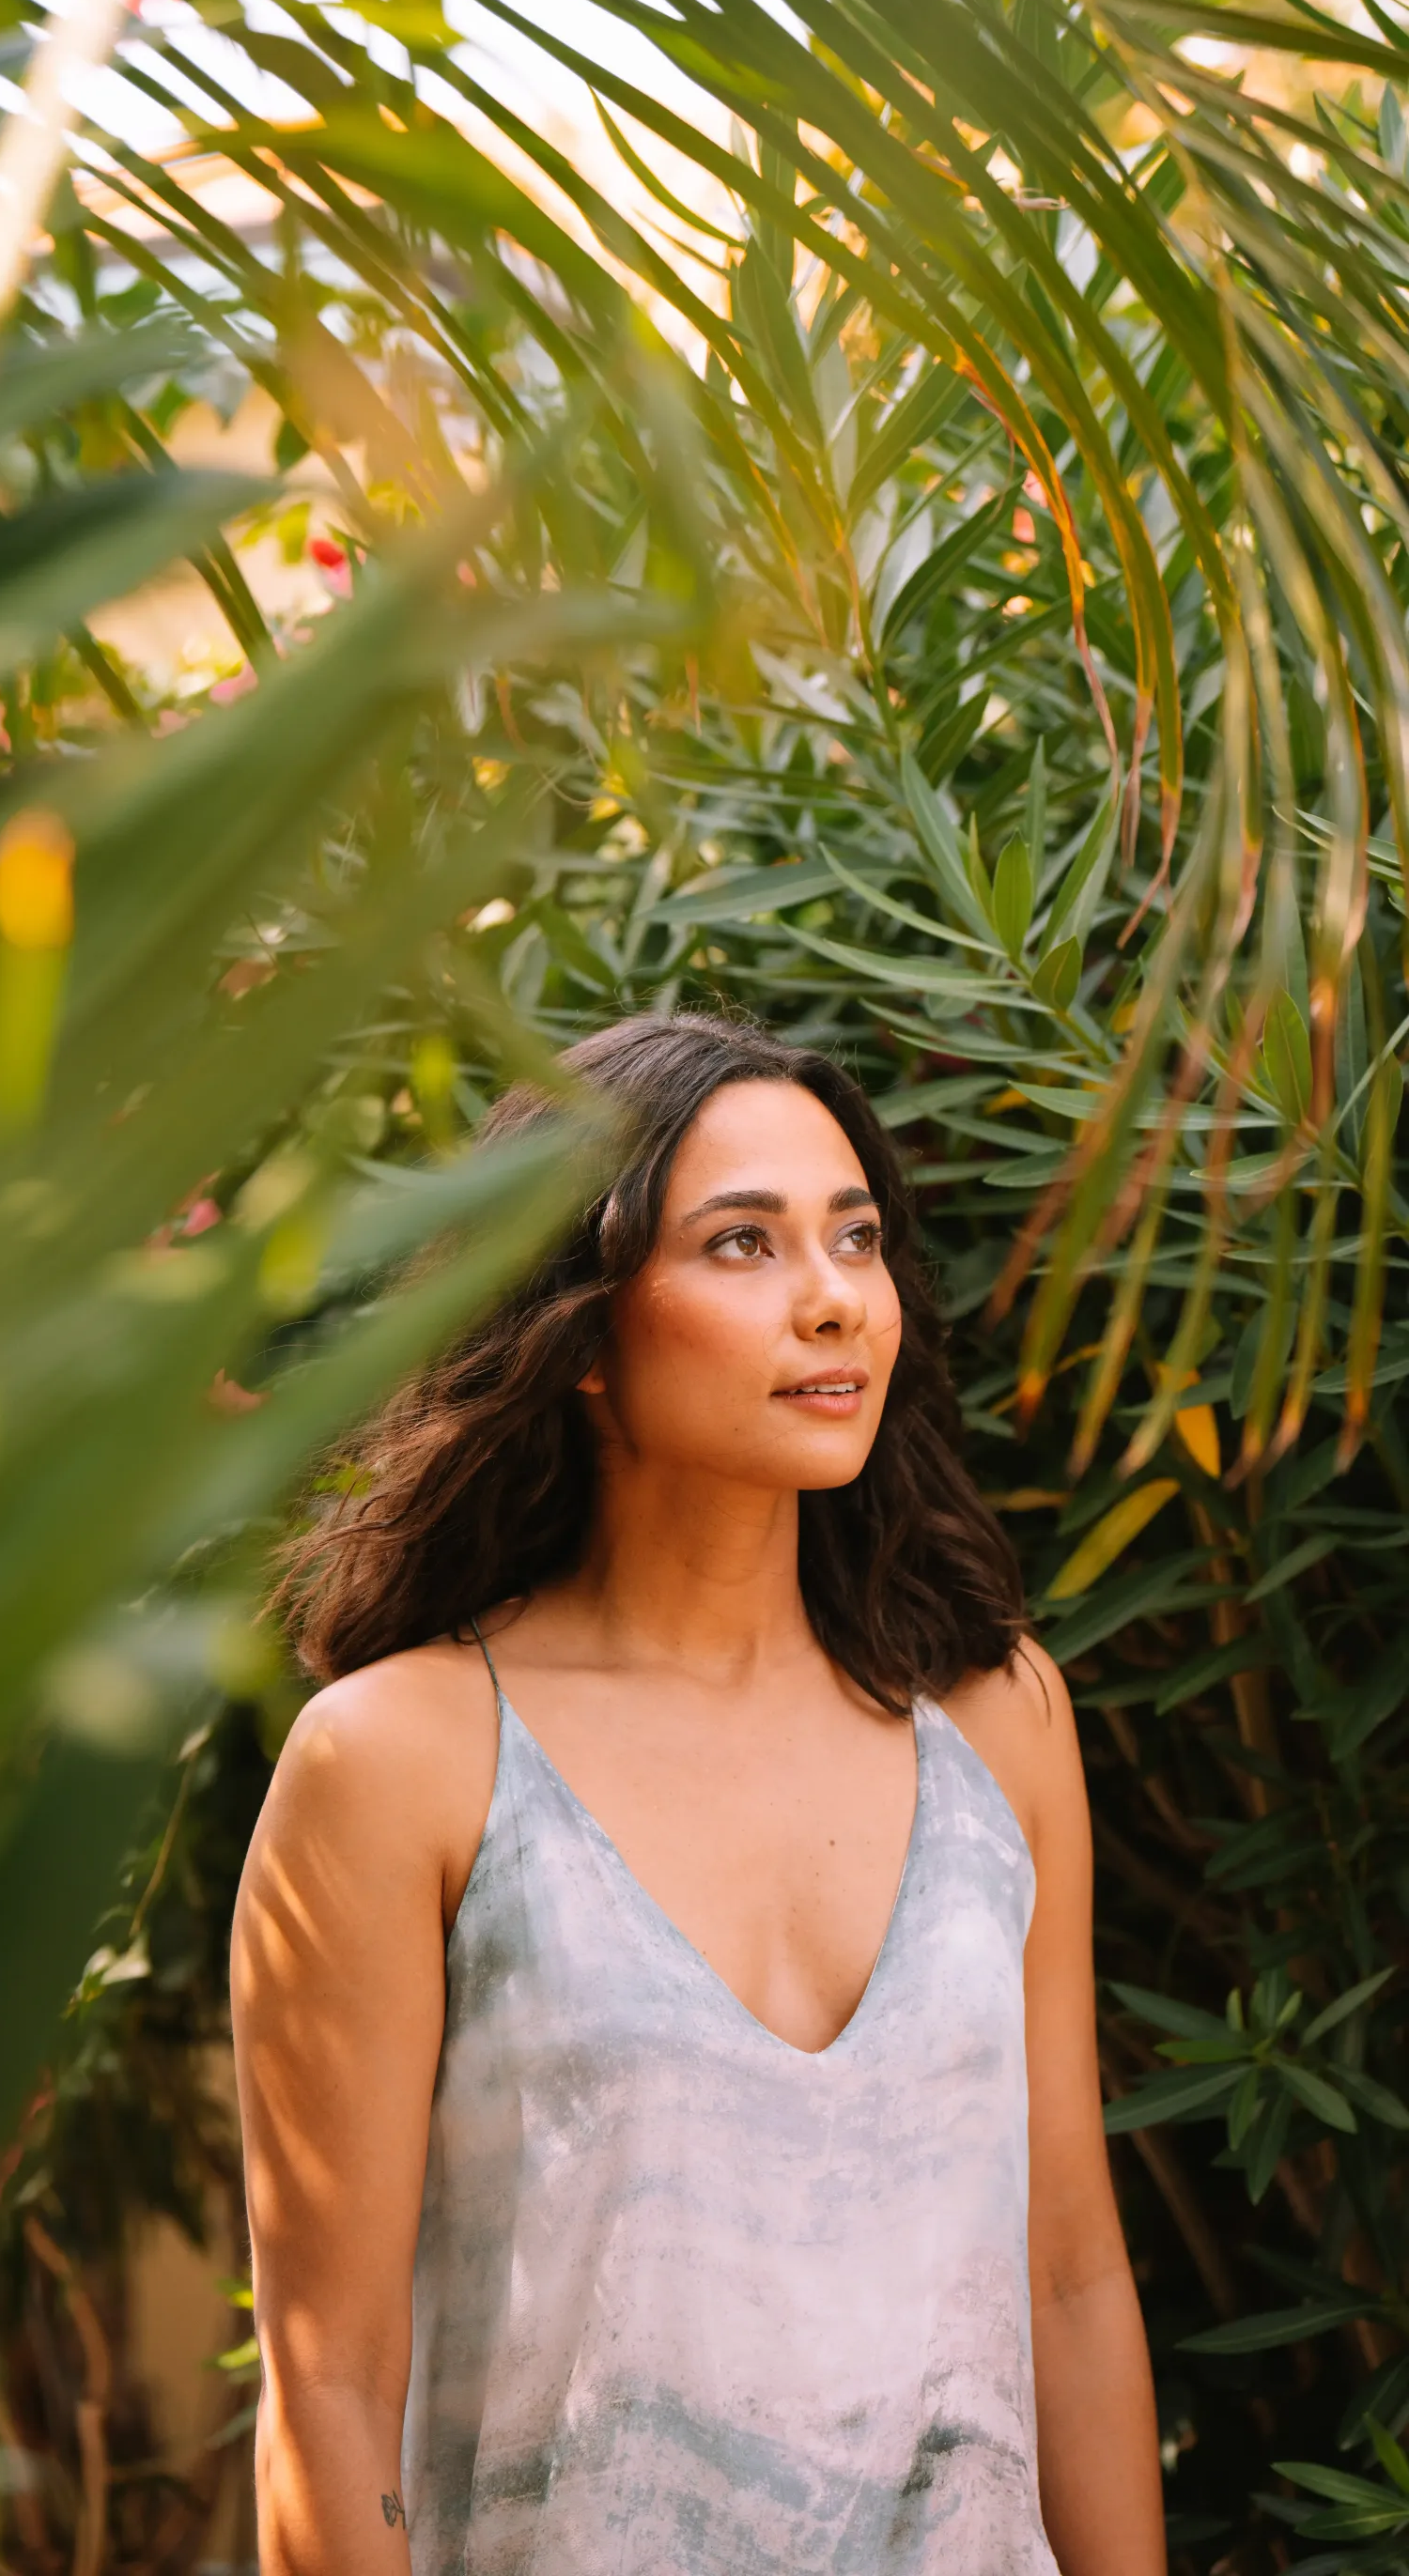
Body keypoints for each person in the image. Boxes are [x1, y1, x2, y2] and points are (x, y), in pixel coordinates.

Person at [231, 1011, 1164, 2576]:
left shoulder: (996, 1721)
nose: (831, 1304)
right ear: (581, 1330)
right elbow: (327, 2380)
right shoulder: (404, 1761)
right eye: (743, 1244)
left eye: (854, 1241)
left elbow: (1067, 2274)